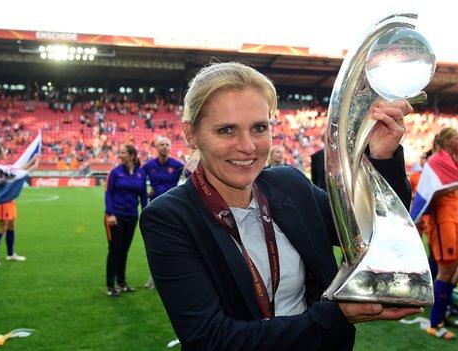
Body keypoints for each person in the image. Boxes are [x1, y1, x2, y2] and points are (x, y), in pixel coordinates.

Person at [139, 62, 418, 351]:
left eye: (259, 127)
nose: (248, 146)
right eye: (226, 130)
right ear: (191, 134)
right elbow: (210, 339)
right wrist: (337, 315)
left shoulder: (290, 186)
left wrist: (382, 156)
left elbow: (373, 232)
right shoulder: (169, 218)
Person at [423, 128, 458, 340]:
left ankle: (442, 314)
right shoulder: (436, 161)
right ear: (446, 140)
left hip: (452, 219)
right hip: (442, 221)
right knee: (445, 271)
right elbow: (431, 193)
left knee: (452, 267)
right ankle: (435, 323)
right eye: (456, 138)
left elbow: (454, 191)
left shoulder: (451, 161)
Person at [104, 144, 148, 297]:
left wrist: (145, 212)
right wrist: (110, 213)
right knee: (115, 250)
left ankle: (121, 283)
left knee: (124, 250)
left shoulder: (141, 173)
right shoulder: (115, 172)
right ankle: (110, 285)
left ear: (131, 155)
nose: (120, 155)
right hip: (116, 216)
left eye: (123, 152)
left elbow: (143, 195)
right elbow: (108, 194)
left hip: (132, 216)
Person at [142, 137, 185, 288]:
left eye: (167, 144)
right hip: (153, 210)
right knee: (154, 243)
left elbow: (191, 177)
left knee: (173, 243)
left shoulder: (177, 165)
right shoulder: (149, 165)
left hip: (171, 209)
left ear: (170, 147)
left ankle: (171, 276)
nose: (164, 147)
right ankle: (154, 276)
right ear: (156, 147)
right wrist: (145, 190)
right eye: (162, 144)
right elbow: (139, 179)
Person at [0, 146, 38, 266]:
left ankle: (10, 254)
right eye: (3, 151)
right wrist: (33, 166)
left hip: (9, 200)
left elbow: (17, 170)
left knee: (11, 226)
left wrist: (32, 160)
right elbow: (16, 174)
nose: (6, 152)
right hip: (2, 201)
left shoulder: (2, 166)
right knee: (2, 228)